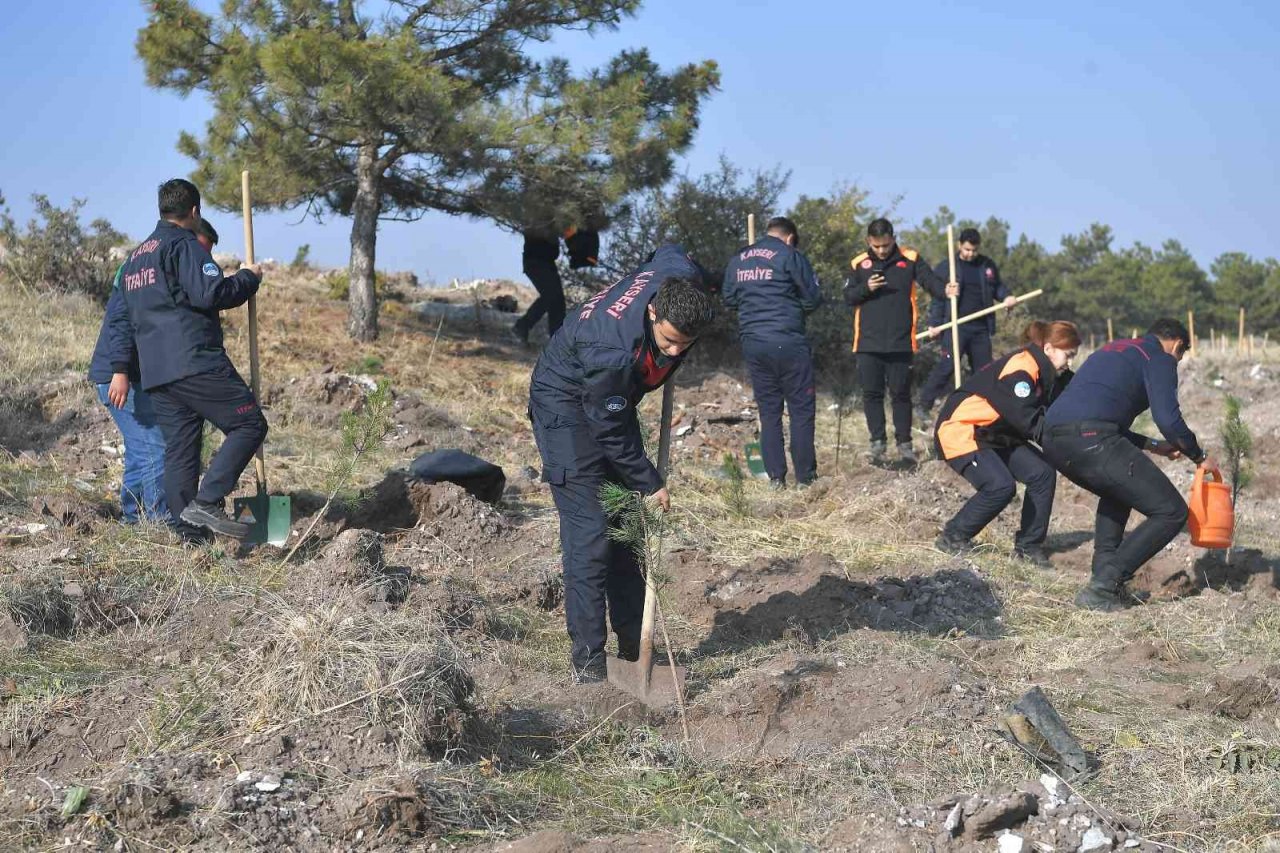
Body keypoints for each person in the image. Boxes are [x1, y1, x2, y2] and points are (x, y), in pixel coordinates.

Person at [528, 244, 715, 683]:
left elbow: (671, 251)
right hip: (566, 406)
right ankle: (591, 666)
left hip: (609, 405)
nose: (672, 353)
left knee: (625, 526)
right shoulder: (609, 348)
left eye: (684, 346)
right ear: (651, 314)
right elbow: (609, 427)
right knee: (591, 533)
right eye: (668, 341)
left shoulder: (677, 279)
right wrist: (649, 482)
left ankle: (635, 650)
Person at [118, 179, 266, 540]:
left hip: (157, 373)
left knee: (182, 449)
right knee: (249, 425)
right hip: (194, 361)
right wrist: (249, 278)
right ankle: (208, 500)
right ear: (195, 211)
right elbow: (211, 292)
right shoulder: (183, 244)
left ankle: (190, 536)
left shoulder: (137, 257)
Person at [1041, 319, 1213, 611]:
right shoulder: (1160, 358)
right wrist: (1198, 455)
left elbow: (1096, 413)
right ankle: (1104, 586)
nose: (1179, 361)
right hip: (1092, 437)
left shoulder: (1114, 349)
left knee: (1118, 490)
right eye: (1181, 354)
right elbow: (1169, 420)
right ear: (1177, 344)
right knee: (1171, 512)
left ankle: (1103, 578)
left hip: (1053, 439)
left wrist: (1155, 446)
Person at [87, 218, 223, 526]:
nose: (203, 261)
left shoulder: (165, 270)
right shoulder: (143, 268)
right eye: (200, 252)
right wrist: (120, 370)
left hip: (133, 374)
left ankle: (133, 519)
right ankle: (161, 522)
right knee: (156, 447)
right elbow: (121, 321)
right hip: (119, 375)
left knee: (140, 449)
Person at [934, 321, 1080, 567]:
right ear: (1048, 349)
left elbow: (1075, 392)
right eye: (1069, 355)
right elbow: (1027, 420)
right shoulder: (1021, 370)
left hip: (996, 434)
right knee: (1000, 486)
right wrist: (1065, 447)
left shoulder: (1048, 372)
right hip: (963, 430)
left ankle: (1028, 547)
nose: (1070, 362)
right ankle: (953, 537)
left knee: (1042, 473)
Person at [844, 218, 956, 465]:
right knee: (872, 395)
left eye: (885, 245)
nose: (882, 251)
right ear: (868, 242)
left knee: (901, 395)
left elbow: (931, 282)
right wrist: (867, 287)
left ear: (893, 239)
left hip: (901, 342)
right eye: (876, 246)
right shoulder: (858, 264)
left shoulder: (910, 259)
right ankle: (877, 446)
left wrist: (946, 290)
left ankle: (905, 446)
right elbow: (849, 297)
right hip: (867, 344)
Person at [722, 216, 823, 489]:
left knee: (769, 412)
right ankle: (805, 478)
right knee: (801, 410)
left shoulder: (739, 259)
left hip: (754, 344)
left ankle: (776, 478)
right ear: (790, 238)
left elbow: (729, 299)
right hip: (789, 341)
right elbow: (812, 298)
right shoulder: (790, 256)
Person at [918, 228, 1017, 418]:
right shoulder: (947, 267)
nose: (970, 254)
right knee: (947, 366)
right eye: (966, 249)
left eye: (974, 250)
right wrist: (935, 323)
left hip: (980, 327)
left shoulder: (986, 266)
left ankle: (981, 410)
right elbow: (938, 298)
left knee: (984, 371)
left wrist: (1008, 297)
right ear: (959, 246)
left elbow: (997, 288)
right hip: (955, 326)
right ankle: (923, 406)